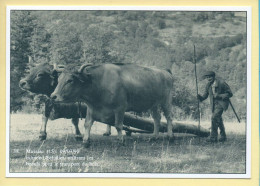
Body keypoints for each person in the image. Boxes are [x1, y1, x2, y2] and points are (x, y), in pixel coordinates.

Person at [197, 71, 233, 142]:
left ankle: (213, 138)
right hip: (214, 105)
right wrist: (200, 97)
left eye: (210, 77)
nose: (208, 79)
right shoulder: (208, 85)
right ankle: (223, 137)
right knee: (218, 120)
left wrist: (219, 96)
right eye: (207, 77)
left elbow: (230, 94)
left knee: (214, 118)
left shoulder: (221, 83)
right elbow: (205, 95)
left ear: (213, 77)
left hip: (222, 103)